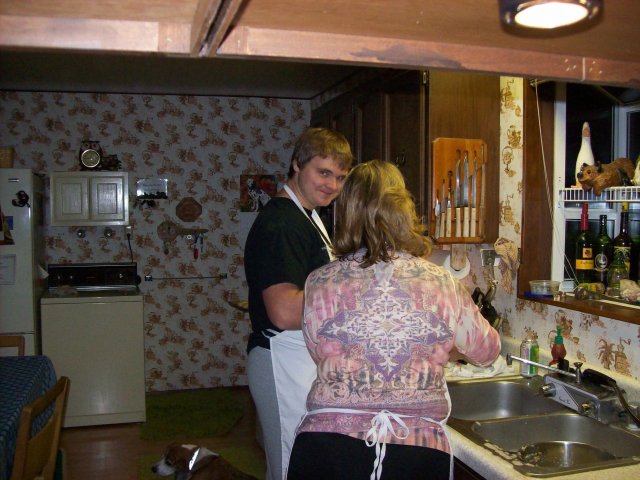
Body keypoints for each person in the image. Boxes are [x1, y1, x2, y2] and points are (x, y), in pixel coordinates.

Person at [287, 160, 501, 480]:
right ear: (404, 212)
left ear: (346, 214)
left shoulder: (320, 282)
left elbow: (321, 349)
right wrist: (440, 347)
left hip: (326, 447)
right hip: (416, 450)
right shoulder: (441, 282)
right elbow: (487, 351)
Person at [244, 127, 354, 480]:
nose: (332, 185)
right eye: (323, 172)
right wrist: (355, 296)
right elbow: (284, 310)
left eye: (340, 177)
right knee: (290, 464)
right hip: (282, 357)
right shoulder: (281, 223)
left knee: (307, 462)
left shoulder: (311, 216)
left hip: (301, 357)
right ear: (296, 164)